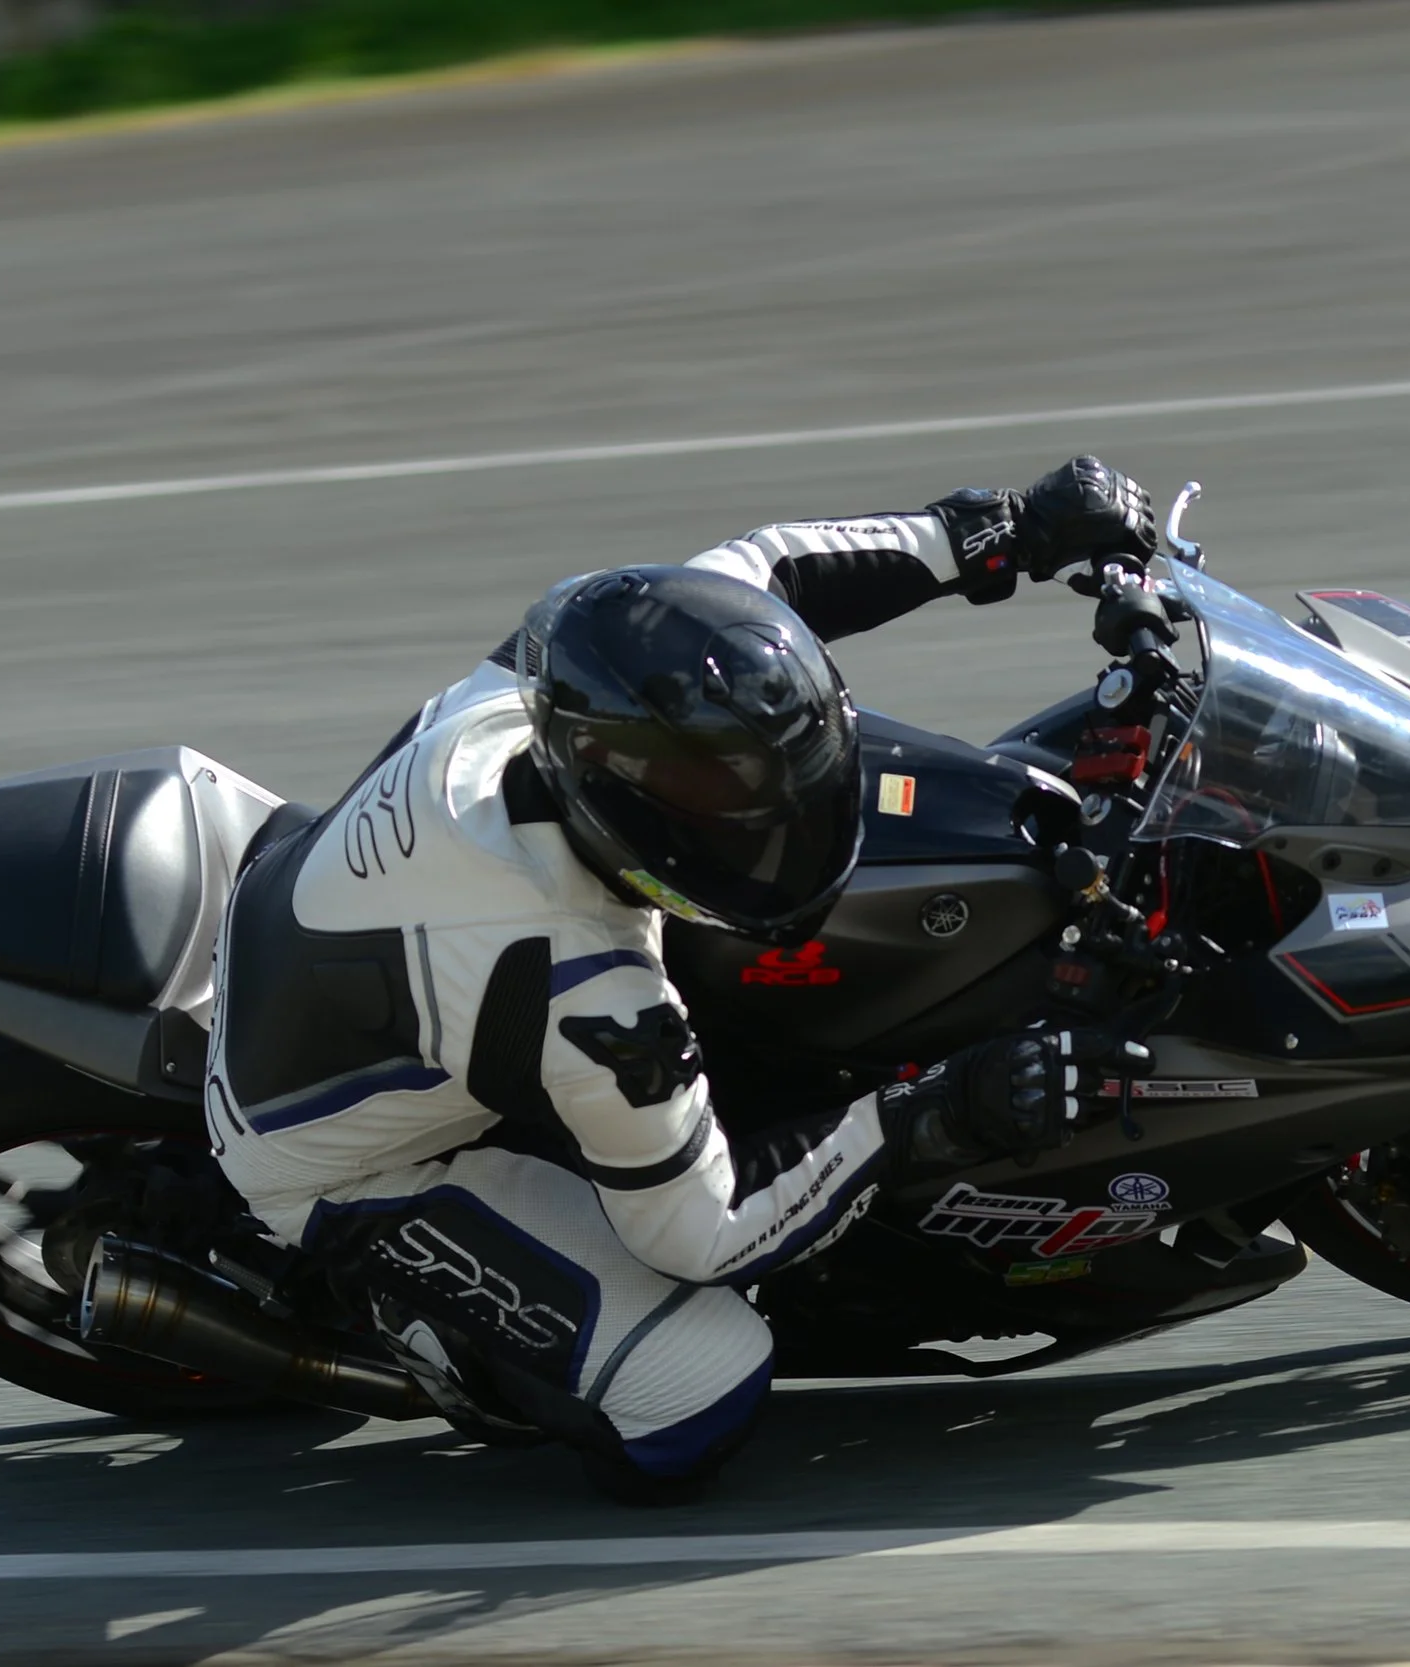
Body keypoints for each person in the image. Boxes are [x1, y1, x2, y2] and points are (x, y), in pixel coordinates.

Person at [203, 457, 1156, 1498]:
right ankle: (429, 1332)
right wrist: (930, 1108)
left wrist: (999, 533)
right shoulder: (589, 994)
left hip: (348, 936)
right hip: (339, 1154)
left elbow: (764, 574)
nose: (773, 825)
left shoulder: (559, 674)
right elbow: (705, 1232)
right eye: (727, 808)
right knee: (700, 1390)